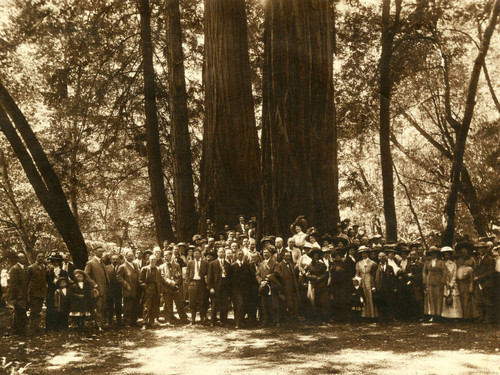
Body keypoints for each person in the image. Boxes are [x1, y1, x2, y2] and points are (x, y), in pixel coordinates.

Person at [84, 246, 110, 328]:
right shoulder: (90, 263)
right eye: (99, 251)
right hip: (96, 289)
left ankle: (101, 323)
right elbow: (86, 275)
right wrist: (94, 284)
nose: (101, 253)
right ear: (95, 252)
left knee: (103, 306)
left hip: (104, 289)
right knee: (98, 306)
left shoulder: (102, 263)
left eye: (102, 252)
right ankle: (98, 324)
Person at [160, 250, 188, 324]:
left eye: (167, 255)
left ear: (170, 255)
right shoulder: (162, 267)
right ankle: (170, 319)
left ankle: (183, 318)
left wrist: (175, 282)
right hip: (167, 288)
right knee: (168, 305)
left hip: (175, 287)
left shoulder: (176, 265)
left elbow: (179, 276)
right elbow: (162, 277)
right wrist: (169, 282)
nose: (165, 257)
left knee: (179, 303)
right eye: (164, 255)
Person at [256, 248, 281, 327]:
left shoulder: (275, 263)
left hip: (272, 286)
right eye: (264, 253)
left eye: (267, 253)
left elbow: (277, 273)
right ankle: (265, 321)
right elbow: (257, 274)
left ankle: (276, 321)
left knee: (274, 304)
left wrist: (269, 278)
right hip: (263, 286)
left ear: (270, 253)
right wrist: (261, 281)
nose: (265, 254)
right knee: (264, 304)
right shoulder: (261, 263)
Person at [116, 250, 141, 327]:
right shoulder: (122, 267)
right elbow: (118, 277)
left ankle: (134, 321)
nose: (131, 257)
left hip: (136, 289)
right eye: (129, 256)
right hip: (128, 289)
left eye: (132, 256)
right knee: (128, 306)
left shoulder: (135, 265)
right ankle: (127, 322)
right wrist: (125, 284)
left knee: (135, 306)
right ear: (125, 257)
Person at [207, 247, 231, 327]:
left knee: (224, 305)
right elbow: (210, 277)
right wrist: (211, 287)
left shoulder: (227, 264)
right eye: (220, 252)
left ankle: (223, 321)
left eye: (223, 252)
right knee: (214, 305)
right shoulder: (213, 264)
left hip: (225, 287)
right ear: (217, 253)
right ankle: (212, 321)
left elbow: (229, 277)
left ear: (224, 254)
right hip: (216, 287)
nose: (221, 253)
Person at [473, 242, 496, 324]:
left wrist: (479, 277)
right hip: (478, 282)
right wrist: (475, 277)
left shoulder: (490, 259)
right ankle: (481, 317)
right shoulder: (478, 259)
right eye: (479, 248)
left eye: (482, 248)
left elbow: (490, 272)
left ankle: (488, 319)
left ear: (486, 249)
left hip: (486, 282)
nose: (480, 250)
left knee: (487, 301)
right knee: (479, 300)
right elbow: (476, 270)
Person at [422, 247, 447, 322]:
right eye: (431, 254)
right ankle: (432, 314)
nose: (433, 255)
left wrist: (443, 281)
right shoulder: (427, 262)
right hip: (429, 282)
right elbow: (424, 272)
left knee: (438, 297)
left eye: (434, 253)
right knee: (430, 298)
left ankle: (438, 315)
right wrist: (424, 281)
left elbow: (445, 271)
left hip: (438, 281)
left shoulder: (441, 262)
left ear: (437, 254)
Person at [304, 248, 329, 323]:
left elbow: (325, 274)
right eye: (314, 255)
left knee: (322, 301)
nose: (316, 256)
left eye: (317, 255)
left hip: (321, 285)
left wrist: (320, 278)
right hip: (312, 284)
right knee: (313, 301)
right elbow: (306, 274)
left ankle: (322, 317)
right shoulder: (309, 265)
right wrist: (314, 277)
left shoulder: (322, 265)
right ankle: (314, 317)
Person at [139, 255, 163, 329]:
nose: (153, 261)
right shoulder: (144, 269)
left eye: (154, 260)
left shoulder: (158, 269)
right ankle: (145, 323)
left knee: (154, 306)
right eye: (152, 260)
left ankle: (151, 322)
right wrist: (146, 288)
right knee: (146, 307)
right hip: (148, 290)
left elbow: (160, 281)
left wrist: (160, 291)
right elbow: (140, 281)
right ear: (149, 260)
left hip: (156, 290)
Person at [46, 252, 68, 331]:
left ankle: (61, 326)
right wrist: (53, 281)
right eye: (54, 261)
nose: (55, 263)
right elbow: (47, 282)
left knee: (61, 308)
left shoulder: (64, 272)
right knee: (51, 308)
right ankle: (50, 327)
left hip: (61, 292)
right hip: (51, 292)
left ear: (59, 262)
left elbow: (66, 283)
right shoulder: (48, 272)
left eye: (57, 261)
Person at [186, 248, 208, 325]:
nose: (195, 255)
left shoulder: (205, 263)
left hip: (201, 284)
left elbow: (207, 274)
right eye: (194, 253)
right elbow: (187, 273)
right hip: (192, 283)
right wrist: (188, 283)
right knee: (192, 303)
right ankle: (193, 319)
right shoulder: (190, 263)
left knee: (202, 302)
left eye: (197, 253)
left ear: (200, 254)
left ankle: (202, 319)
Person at [230, 249, 252, 329]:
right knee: (239, 304)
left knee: (244, 305)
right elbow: (230, 279)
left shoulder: (246, 265)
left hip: (245, 289)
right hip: (236, 289)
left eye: (241, 254)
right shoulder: (233, 266)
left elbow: (249, 278)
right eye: (239, 254)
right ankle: (237, 322)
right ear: (236, 255)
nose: (240, 256)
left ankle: (241, 321)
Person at [27, 251, 47, 334]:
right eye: (39, 256)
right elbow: (27, 280)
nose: (40, 258)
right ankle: (32, 329)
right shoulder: (31, 268)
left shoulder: (44, 267)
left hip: (41, 293)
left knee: (38, 311)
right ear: (36, 257)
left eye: (42, 256)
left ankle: (37, 328)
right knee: (33, 311)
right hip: (33, 293)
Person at [8, 252, 29, 335]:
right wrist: (19, 295)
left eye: (24, 257)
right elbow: (13, 284)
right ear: (18, 259)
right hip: (18, 295)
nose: (24, 259)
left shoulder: (24, 268)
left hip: (24, 294)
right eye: (22, 258)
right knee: (19, 313)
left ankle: (18, 330)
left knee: (21, 312)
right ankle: (19, 331)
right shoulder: (15, 268)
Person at [276, 251, 300, 322]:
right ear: (283, 257)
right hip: (285, 288)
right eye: (286, 256)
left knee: (293, 302)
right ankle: (286, 319)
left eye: (289, 256)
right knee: (286, 303)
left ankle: (293, 317)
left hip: (292, 287)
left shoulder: (291, 265)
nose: (288, 258)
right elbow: (279, 278)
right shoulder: (280, 265)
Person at [374, 252, 397, 322]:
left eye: (383, 256)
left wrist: (394, 287)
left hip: (388, 287)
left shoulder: (390, 267)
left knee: (389, 302)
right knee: (380, 302)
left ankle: (391, 317)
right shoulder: (376, 267)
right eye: (380, 256)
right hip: (379, 287)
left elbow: (393, 278)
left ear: (386, 257)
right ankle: (381, 317)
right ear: (378, 258)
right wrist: (373, 287)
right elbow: (373, 278)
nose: (382, 258)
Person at [355, 246, 377, 320]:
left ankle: (371, 314)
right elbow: (357, 274)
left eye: (365, 253)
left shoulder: (373, 263)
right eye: (362, 254)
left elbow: (374, 275)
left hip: (369, 280)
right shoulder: (358, 263)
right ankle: (363, 315)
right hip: (361, 280)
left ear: (368, 254)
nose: (363, 255)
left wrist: (373, 285)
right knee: (362, 296)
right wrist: (357, 282)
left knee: (369, 296)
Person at [440, 246, 462, 320]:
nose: (446, 256)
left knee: (454, 297)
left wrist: (451, 283)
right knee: (445, 296)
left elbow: (455, 274)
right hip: (444, 283)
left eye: (448, 254)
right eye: (445, 254)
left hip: (452, 283)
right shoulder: (441, 263)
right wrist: (445, 282)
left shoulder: (453, 264)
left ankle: (455, 316)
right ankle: (445, 316)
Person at [330, 247, 351, 322]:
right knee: (336, 300)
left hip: (344, 285)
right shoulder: (333, 265)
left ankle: (345, 317)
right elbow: (332, 277)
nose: (337, 257)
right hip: (336, 286)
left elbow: (349, 275)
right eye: (336, 256)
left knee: (344, 300)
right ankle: (337, 317)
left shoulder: (345, 264)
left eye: (338, 255)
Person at [404, 250, 424, 321]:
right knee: (412, 300)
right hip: (411, 284)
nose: (412, 256)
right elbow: (405, 274)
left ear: (417, 256)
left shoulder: (420, 264)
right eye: (411, 255)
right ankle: (415, 315)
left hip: (418, 284)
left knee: (419, 299)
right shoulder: (408, 265)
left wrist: (414, 276)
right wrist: (408, 276)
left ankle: (422, 315)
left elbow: (422, 274)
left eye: (414, 255)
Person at [105, 254, 123, 326]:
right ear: (110, 260)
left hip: (119, 290)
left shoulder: (122, 267)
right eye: (113, 259)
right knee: (110, 307)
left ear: (119, 260)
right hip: (110, 290)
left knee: (118, 306)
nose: (115, 260)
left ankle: (119, 322)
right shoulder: (106, 268)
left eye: (116, 259)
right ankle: (110, 322)